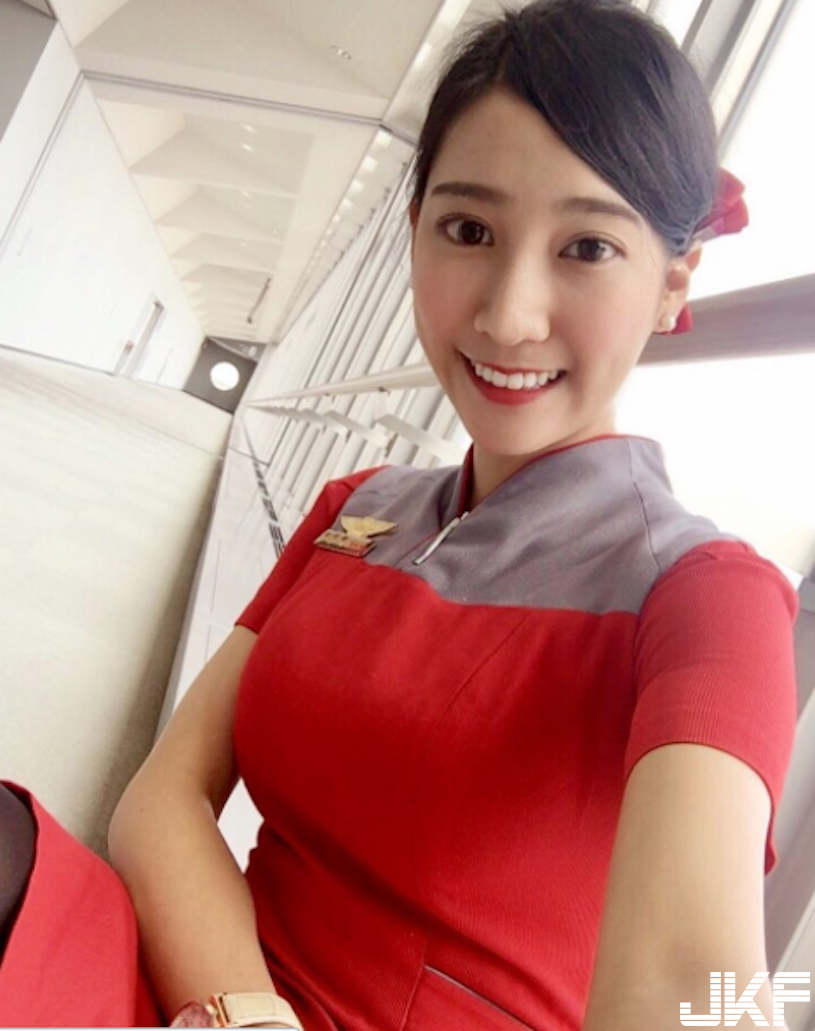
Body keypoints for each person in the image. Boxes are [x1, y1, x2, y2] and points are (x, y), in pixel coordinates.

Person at [0, 0, 800, 1028]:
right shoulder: (359, 505)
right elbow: (163, 796)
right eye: (468, 230)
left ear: (671, 285)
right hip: (203, 988)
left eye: (586, 247)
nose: (507, 314)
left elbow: (692, 980)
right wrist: (244, 1014)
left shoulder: (706, 596)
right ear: (415, 230)